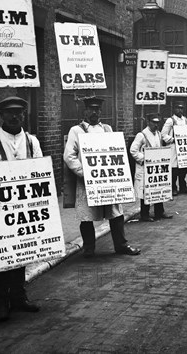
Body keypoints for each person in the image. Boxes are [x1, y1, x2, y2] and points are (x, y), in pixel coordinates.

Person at [0, 96, 42, 322]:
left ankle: (19, 297)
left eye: (20, 112)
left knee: (21, 252)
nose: (15, 116)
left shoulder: (32, 142)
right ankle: (0, 301)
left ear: (24, 115)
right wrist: (7, 199)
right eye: (10, 113)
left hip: (23, 212)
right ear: (1, 115)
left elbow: (39, 171)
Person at [64, 96, 141, 258]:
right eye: (91, 109)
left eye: (97, 109)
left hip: (108, 181)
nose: (94, 112)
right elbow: (69, 156)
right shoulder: (76, 131)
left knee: (115, 212)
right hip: (87, 182)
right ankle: (89, 248)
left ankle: (121, 245)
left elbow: (114, 152)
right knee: (86, 215)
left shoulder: (107, 129)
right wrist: (84, 173)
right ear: (85, 111)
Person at [130, 113, 173, 222]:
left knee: (158, 188)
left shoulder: (158, 134)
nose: (156, 125)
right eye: (154, 122)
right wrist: (144, 159)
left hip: (156, 168)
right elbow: (133, 150)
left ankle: (160, 212)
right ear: (148, 122)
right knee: (145, 192)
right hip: (145, 168)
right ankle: (145, 214)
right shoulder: (141, 135)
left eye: (157, 122)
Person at [161, 101, 187, 195]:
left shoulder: (185, 120)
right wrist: (173, 139)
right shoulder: (170, 120)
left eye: (181, 108)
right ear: (174, 109)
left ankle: (183, 186)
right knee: (174, 168)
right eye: (178, 108)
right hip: (173, 147)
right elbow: (163, 134)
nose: (180, 110)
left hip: (183, 147)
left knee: (183, 167)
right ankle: (173, 187)